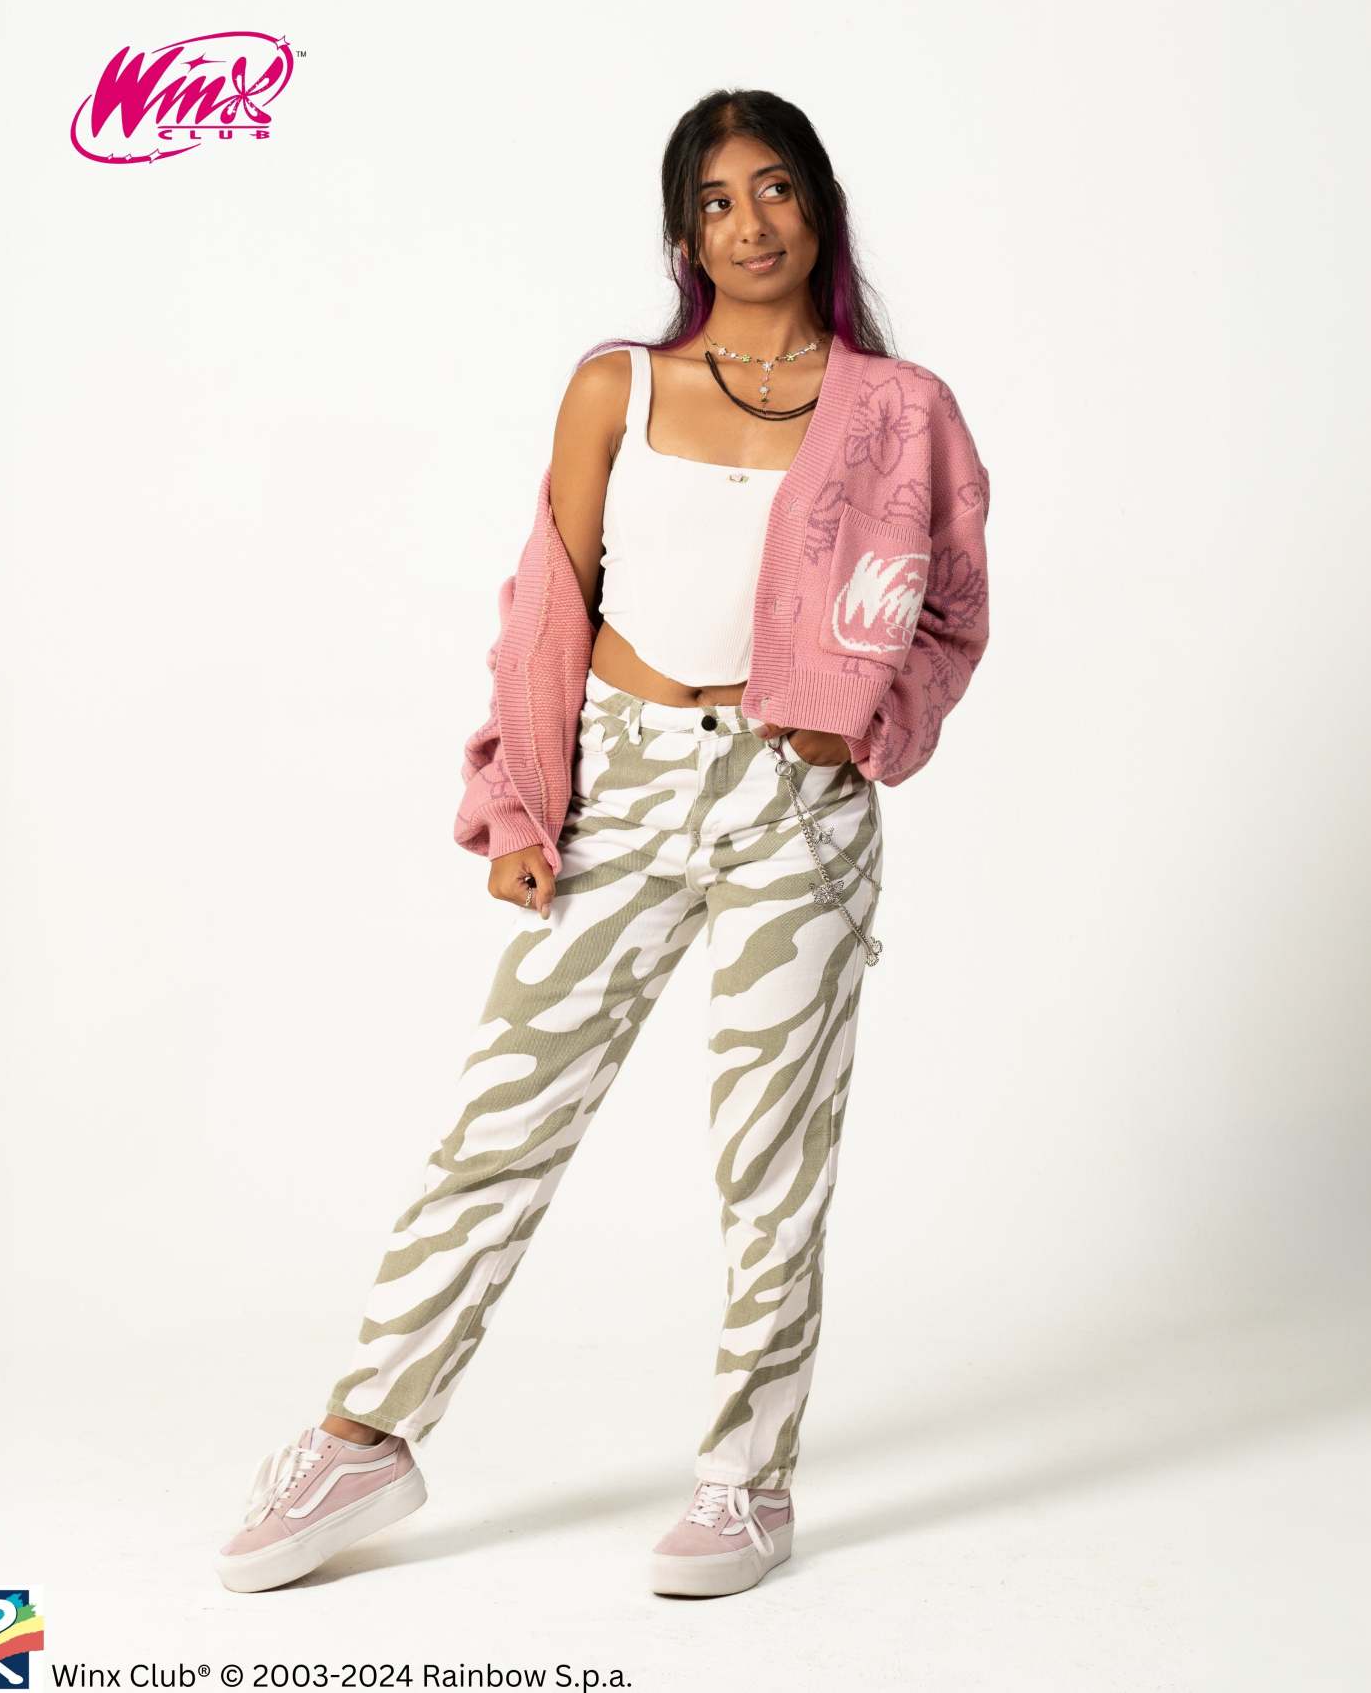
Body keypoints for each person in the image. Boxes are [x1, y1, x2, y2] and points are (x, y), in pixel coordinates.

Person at [215, 87, 992, 1600]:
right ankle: (367, 1435)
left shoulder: (902, 411)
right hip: (622, 787)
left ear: (820, 204)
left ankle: (747, 1479)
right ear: (683, 231)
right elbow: (546, 604)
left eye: (776, 188)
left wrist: (865, 729)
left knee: (773, 1155)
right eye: (716, 200)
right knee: (501, 1125)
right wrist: (520, 798)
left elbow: (952, 614)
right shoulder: (616, 387)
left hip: (794, 805)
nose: (751, 223)